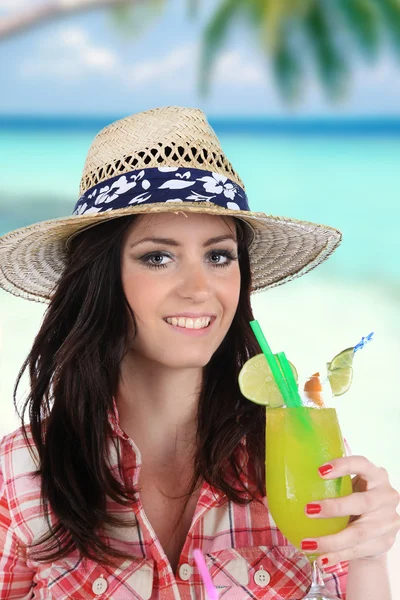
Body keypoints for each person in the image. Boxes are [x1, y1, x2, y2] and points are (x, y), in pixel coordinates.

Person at [0, 106, 398, 600]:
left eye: (218, 255)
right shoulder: (21, 473)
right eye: (158, 257)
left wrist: (370, 557)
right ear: (101, 280)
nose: (199, 288)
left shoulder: (296, 452)